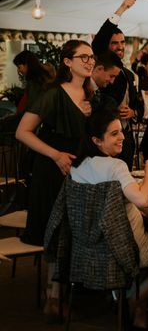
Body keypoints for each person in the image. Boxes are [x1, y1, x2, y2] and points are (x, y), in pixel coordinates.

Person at [70, 108, 148, 329]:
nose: (122, 137)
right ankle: (136, 300)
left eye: (120, 131)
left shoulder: (76, 168)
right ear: (96, 140)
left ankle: (135, 307)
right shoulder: (115, 166)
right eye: (114, 133)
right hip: (125, 249)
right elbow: (143, 199)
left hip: (90, 248)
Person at [15, 40, 94, 319]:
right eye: (83, 56)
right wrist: (55, 154)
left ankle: (65, 292)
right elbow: (22, 132)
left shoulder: (89, 94)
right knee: (56, 231)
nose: (89, 61)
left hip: (80, 172)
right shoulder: (53, 94)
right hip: (52, 170)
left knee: (74, 233)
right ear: (67, 62)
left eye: (91, 56)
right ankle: (53, 294)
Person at [91, 0, 144, 170]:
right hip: (104, 139)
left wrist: (133, 111)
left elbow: (139, 104)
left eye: (122, 42)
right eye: (114, 43)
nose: (120, 46)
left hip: (126, 138)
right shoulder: (100, 62)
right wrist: (122, 9)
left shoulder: (129, 74)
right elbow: (101, 37)